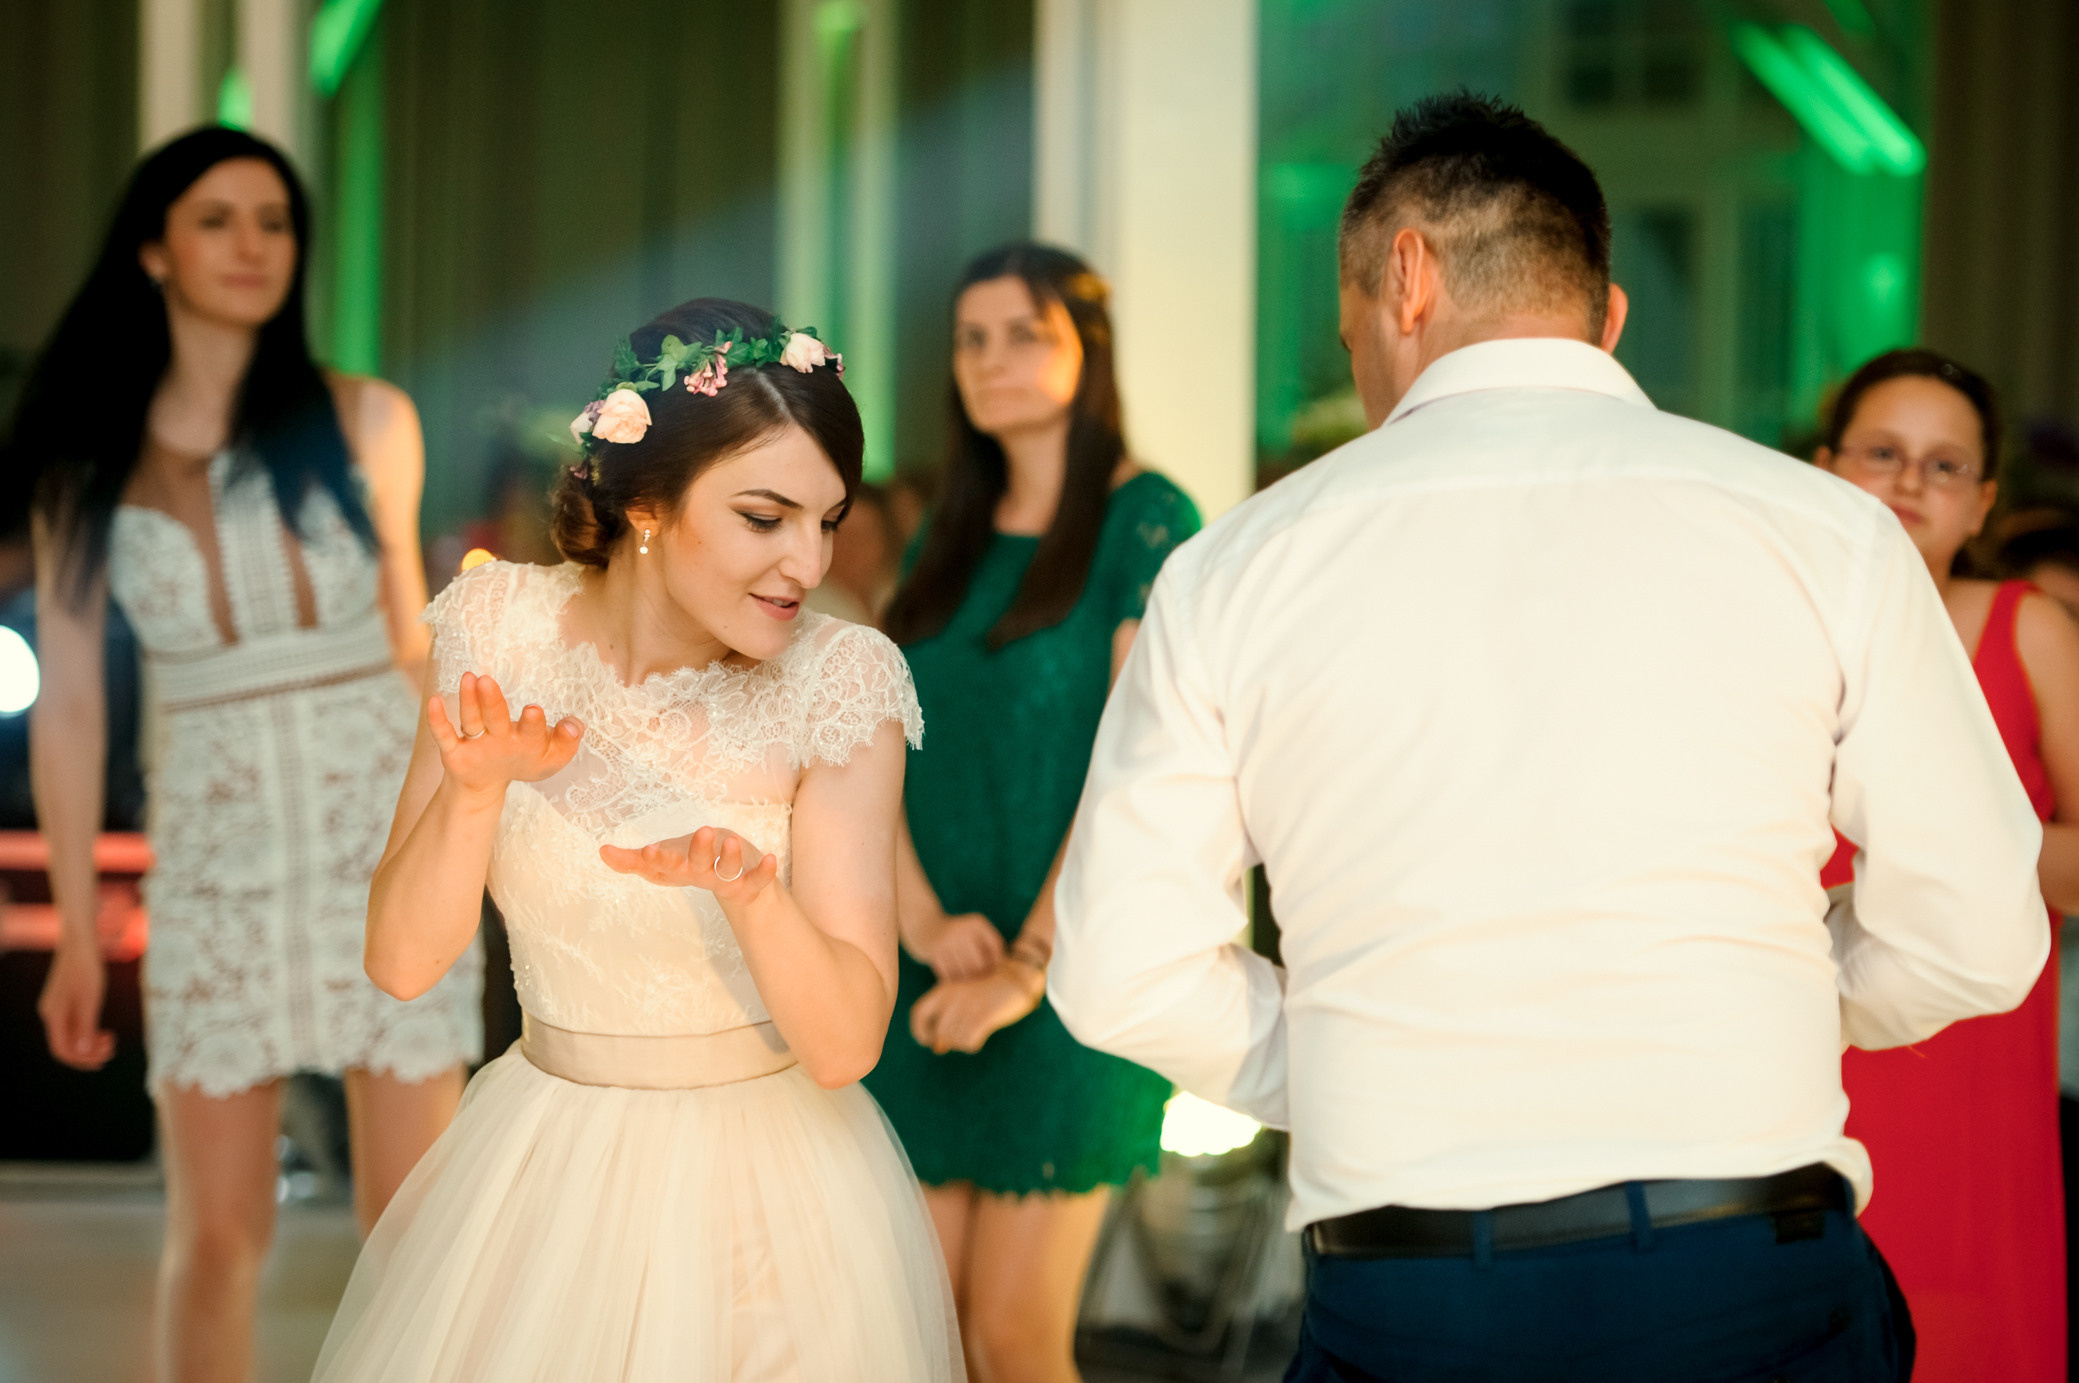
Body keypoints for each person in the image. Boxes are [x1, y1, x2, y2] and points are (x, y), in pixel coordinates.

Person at [1047, 93, 2047, 1382]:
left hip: (1418, 1299)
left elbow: (1118, 969)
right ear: (1609, 317)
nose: (1356, 369)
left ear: (1404, 277)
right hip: (1750, 1267)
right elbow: (1977, 930)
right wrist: (1772, 999)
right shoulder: (1821, 533)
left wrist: (1374, 1047)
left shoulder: (1235, 568)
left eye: (1349, 335)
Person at [310, 298, 961, 1381]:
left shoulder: (844, 681)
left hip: (765, 1197)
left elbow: (848, 1046)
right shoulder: (496, 628)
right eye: (766, 518)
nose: (807, 562)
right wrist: (472, 797)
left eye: (829, 521)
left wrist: (756, 896)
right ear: (650, 504)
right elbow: (401, 965)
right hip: (539, 1175)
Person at [2, 127, 481, 1382]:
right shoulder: (80, 459)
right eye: (217, 220)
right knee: (216, 1238)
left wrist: (478, 804)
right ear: (155, 249)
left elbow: (411, 645)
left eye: (274, 221)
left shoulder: (366, 417)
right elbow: (69, 714)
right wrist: (67, 920)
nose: (252, 245)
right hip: (214, 861)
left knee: (412, 1230)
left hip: (374, 829)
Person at [865, 243, 1199, 1382]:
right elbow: (874, 741)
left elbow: (1137, 763)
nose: (991, 360)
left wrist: (1030, 962)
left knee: (1013, 1339)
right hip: (931, 967)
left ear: (1085, 350)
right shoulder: (941, 533)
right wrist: (913, 920)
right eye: (971, 338)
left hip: (1064, 981)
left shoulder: (1146, 518)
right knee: (924, 1330)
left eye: (1024, 334)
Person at [1813, 349, 2077, 1383]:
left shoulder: (2030, 631)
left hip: (1973, 1061)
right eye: (1883, 453)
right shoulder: (1774, 633)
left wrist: (1944, 839)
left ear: (1985, 501)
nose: (1911, 482)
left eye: (1945, 465)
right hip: (1808, 1063)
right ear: (1826, 467)